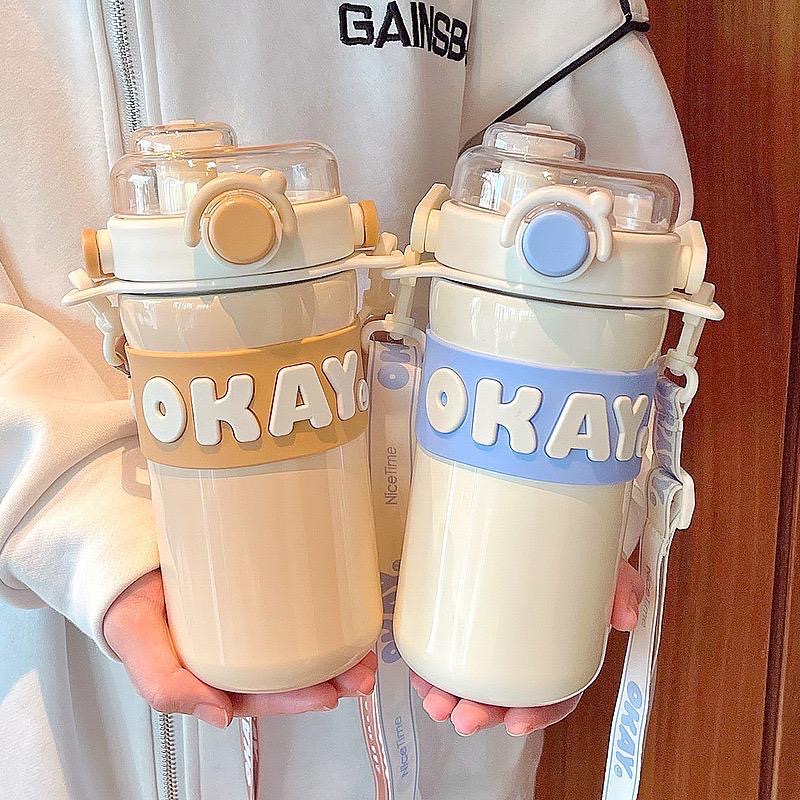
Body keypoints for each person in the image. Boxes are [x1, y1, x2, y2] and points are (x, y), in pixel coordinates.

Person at [0, 1, 690, 797]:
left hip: (430, 646)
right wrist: (75, 518)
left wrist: (589, 525)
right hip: (63, 647)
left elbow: (609, 215)